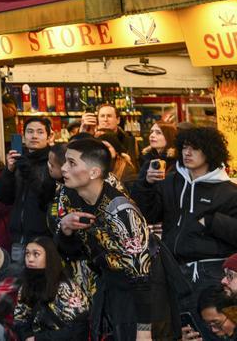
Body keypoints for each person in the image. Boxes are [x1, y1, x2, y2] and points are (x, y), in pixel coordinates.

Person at [57, 137, 175, 340]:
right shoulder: (68, 194)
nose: (63, 168)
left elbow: (142, 275)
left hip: (143, 289)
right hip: (108, 283)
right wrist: (65, 228)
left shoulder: (121, 211)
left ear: (94, 172)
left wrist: (144, 331)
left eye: (72, 163)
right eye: (65, 161)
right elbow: (72, 252)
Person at [133, 126, 237, 290]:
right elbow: (149, 215)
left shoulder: (229, 191)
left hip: (211, 272)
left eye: (194, 148)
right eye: (184, 147)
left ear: (210, 151)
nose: (187, 153)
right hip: (172, 268)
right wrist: (146, 184)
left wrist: (211, 221)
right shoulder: (171, 181)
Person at [0, 117, 56, 264]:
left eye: (40, 132)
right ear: (23, 136)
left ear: (49, 137)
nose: (34, 136)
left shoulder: (53, 163)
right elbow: (2, 197)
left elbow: (46, 197)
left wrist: (29, 173)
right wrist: (9, 170)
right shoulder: (19, 161)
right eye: (30, 132)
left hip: (43, 238)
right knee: (18, 280)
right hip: (18, 239)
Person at [12, 236, 89, 340]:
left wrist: (38, 339)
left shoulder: (66, 287)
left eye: (36, 254)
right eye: (27, 254)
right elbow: (20, 319)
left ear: (49, 257)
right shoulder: (25, 286)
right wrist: (27, 337)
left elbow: (78, 329)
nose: (30, 259)